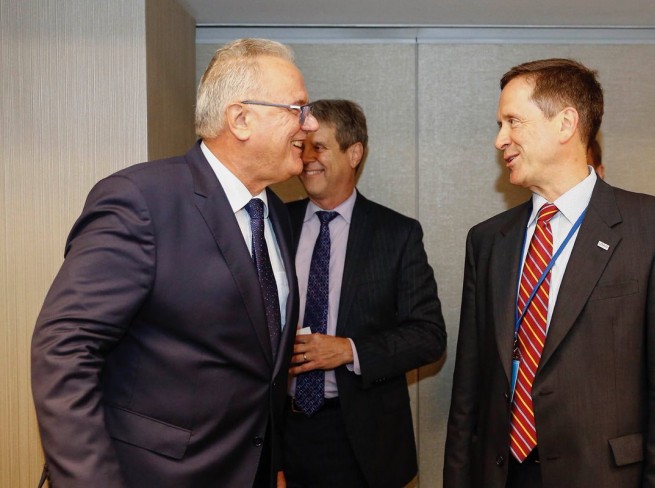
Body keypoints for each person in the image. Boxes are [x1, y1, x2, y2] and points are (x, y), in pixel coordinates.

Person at [31, 38, 318, 488]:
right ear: (240, 119)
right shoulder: (141, 200)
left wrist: (273, 463)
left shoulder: (275, 211)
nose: (311, 122)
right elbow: (65, 352)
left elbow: (260, 366)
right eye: (297, 108)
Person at [444, 58, 655, 488]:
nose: (499, 140)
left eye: (513, 121)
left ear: (565, 123)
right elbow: (468, 394)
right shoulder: (489, 240)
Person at [284, 99, 447, 487]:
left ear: (353, 152)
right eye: (300, 145)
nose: (307, 158)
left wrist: (347, 350)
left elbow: (429, 336)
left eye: (318, 146)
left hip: (362, 439)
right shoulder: (273, 223)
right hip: (281, 433)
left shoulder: (396, 234)